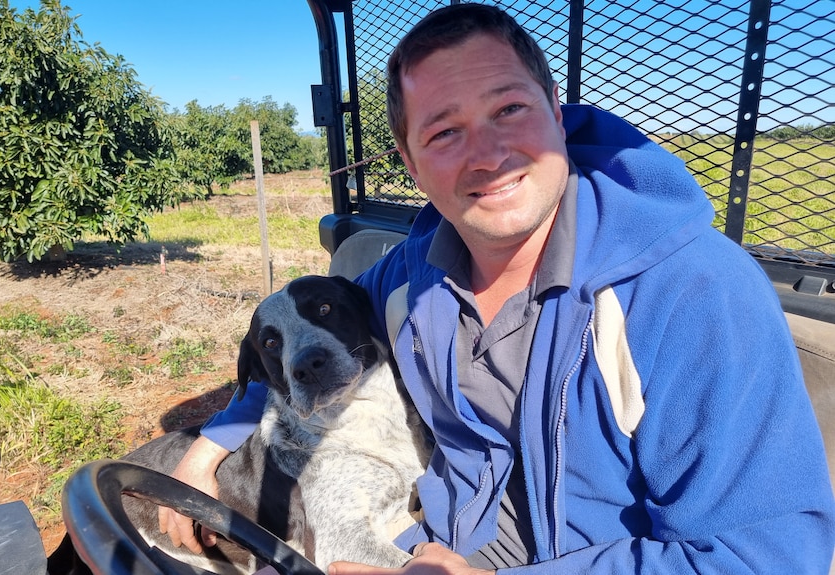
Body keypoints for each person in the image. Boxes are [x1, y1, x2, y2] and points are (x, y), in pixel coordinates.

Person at [160, 4, 835, 573]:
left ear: (556, 112)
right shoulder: (408, 277)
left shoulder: (694, 294)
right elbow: (297, 352)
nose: (486, 155)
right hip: (418, 541)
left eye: (508, 109)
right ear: (410, 161)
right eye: (445, 131)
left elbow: (769, 554)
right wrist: (206, 449)